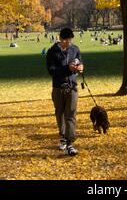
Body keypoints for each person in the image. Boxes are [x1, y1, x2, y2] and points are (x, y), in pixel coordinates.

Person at [46, 27, 84, 156]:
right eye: (67, 41)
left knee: (71, 115)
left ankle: (70, 143)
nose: (69, 43)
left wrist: (80, 67)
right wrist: (67, 68)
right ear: (61, 39)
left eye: (70, 41)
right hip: (58, 88)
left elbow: (80, 61)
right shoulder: (52, 52)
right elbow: (52, 71)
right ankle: (62, 137)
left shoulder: (75, 49)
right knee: (60, 114)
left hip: (72, 86)